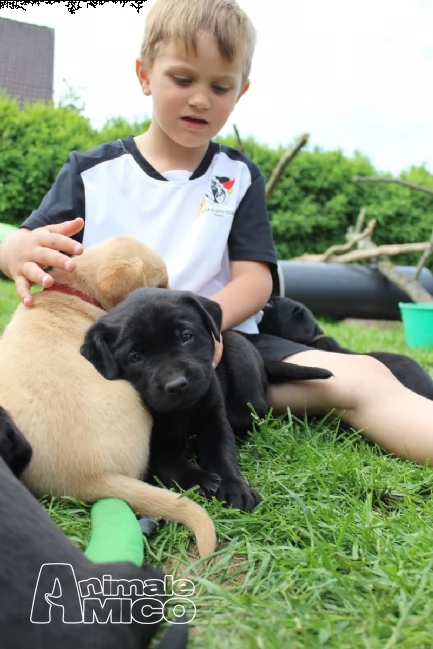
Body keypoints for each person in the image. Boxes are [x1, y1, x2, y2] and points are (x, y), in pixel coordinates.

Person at [1, 0, 432, 466]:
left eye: (220, 86)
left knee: (368, 374)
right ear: (144, 74)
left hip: (227, 345)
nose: (201, 98)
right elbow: (31, 249)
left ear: (241, 91)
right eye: (182, 79)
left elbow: (255, 280)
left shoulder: (237, 175)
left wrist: (208, 328)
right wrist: (14, 250)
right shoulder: (92, 173)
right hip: (119, 362)